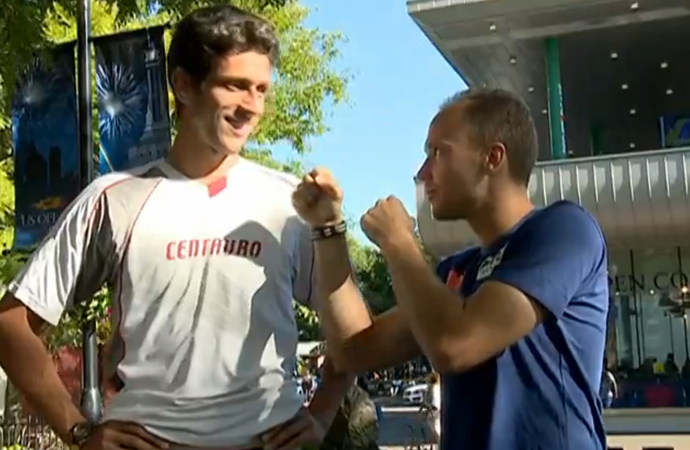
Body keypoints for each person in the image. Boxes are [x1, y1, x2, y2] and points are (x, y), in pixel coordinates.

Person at [0, 5, 352, 450]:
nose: (252, 106)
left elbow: (355, 334)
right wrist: (79, 431)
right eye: (235, 86)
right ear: (183, 85)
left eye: (261, 90)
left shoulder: (292, 203)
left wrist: (320, 416)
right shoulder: (116, 198)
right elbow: (11, 325)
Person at [292, 88, 609, 449]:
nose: (423, 172)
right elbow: (354, 351)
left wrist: (398, 240)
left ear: (493, 157)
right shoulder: (456, 271)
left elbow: (457, 345)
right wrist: (328, 230)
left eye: (438, 152)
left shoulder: (564, 229)